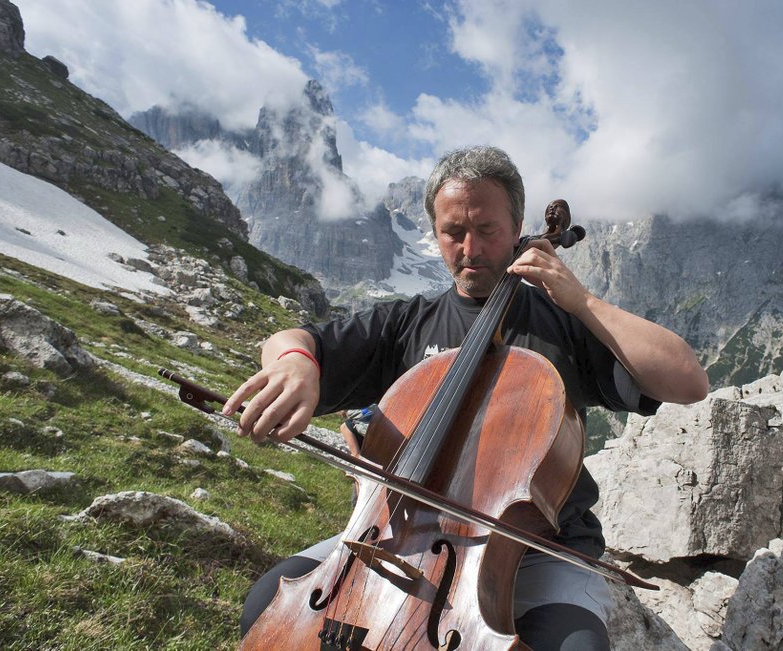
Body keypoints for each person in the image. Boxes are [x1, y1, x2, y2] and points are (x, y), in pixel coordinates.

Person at [225, 145, 709, 650]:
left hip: (543, 547)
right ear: (434, 230)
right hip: (396, 533)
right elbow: (295, 340)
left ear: (518, 225)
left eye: (487, 230)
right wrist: (296, 364)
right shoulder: (405, 322)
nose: (470, 249)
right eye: (453, 232)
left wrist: (583, 302)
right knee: (268, 603)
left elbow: (687, 380)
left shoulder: (564, 322)